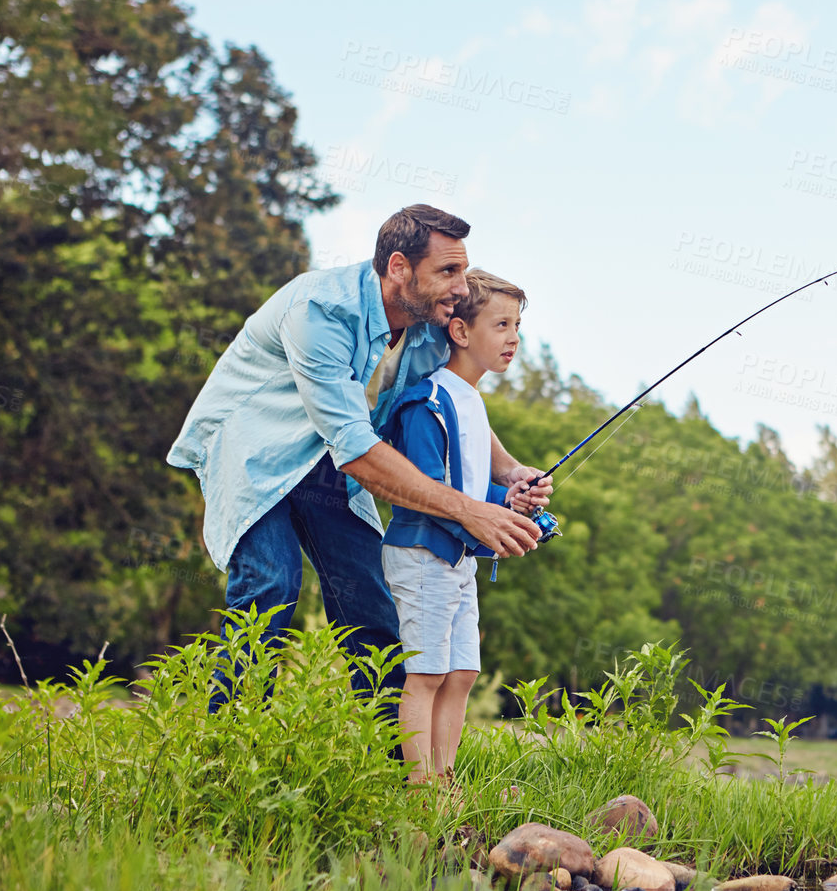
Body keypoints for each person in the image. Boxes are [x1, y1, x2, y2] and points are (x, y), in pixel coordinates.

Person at [165, 205, 550, 714]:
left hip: (330, 461)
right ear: (398, 268)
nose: (461, 288)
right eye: (447, 271)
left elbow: (447, 398)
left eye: (462, 268)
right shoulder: (319, 310)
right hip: (254, 450)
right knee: (271, 586)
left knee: (370, 601)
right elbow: (357, 450)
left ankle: (398, 771)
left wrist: (510, 471)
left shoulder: (427, 324)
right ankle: (226, 759)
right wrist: (469, 509)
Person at [381, 269, 529, 784]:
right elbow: (426, 492)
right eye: (502, 324)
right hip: (423, 554)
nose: (514, 338)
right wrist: (490, 524)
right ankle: (422, 793)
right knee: (425, 676)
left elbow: (466, 491)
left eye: (518, 326)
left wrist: (509, 500)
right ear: (461, 332)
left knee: (462, 674)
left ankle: (446, 782)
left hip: (457, 559)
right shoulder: (429, 401)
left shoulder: (472, 400)